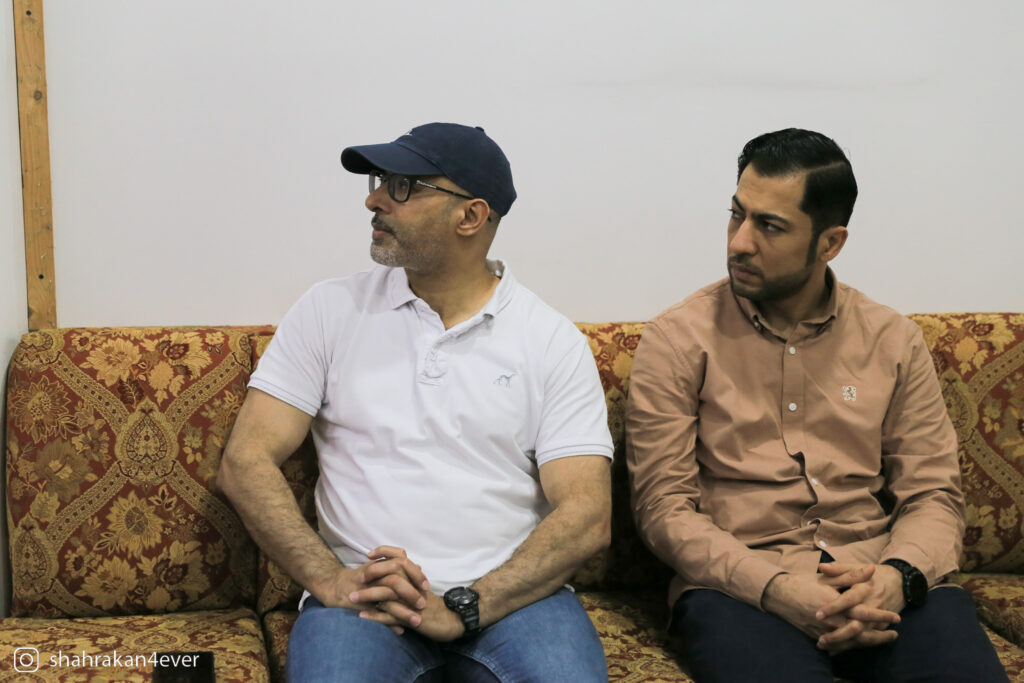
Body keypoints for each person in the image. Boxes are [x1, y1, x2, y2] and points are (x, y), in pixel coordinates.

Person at [219, 122, 613, 682]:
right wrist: (330, 579)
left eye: (403, 186)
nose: (374, 200)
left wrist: (466, 606)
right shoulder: (329, 311)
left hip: (516, 601)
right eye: (380, 181)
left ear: (471, 216)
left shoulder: (550, 340)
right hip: (367, 597)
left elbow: (587, 513)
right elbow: (245, 461)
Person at [626, 128, 1007, 682]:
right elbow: (664, 509)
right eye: (737, 215)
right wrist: (778, 589)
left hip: (878, 576)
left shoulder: (892, 340)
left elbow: (933, 494)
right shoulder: (678, 339)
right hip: (742, 590)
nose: (739, 242)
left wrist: (897, 578)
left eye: (770, 226)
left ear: (830, 243)